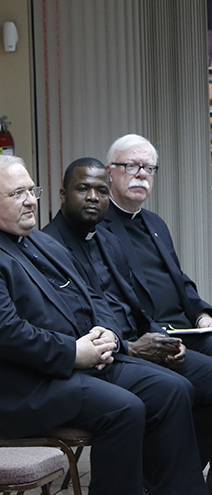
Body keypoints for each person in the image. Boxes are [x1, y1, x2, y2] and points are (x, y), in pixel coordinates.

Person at [0, 154, 207, 494]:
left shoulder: (39, 241)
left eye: (32, 190)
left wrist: (108, 333)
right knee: (126, 409)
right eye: (17, 193)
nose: (31, 201)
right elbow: (4, 333)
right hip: (27, 385)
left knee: (172, 390)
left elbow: (95, 296)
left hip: (80, 363)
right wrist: (73, 352)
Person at [42, 157, 212, 483]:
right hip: (111, 355)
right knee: (176, 389)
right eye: (83, 189)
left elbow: (134, 304)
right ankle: (170, 481)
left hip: (141, 342)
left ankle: (166, 476)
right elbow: (74, 321)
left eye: (101, 191)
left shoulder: (108, 239)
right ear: (63, 194)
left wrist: (160, 336)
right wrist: (132, 347)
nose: (93, 197)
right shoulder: (49, 246)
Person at [102, 134, 212, 356]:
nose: (141, 174)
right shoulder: (98, 227)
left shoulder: (155, 222)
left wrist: (202, 315)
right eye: (131, 166)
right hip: (153, 337)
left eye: (149, 168)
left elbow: (178, 279)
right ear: (110, 172)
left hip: (190, 330)